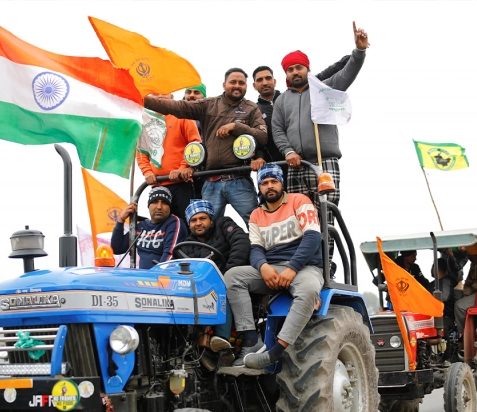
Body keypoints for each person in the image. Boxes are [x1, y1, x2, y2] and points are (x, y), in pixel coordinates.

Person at [272, 22, 369, 253]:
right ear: (285, 73)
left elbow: (348, 73)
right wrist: (288, 152)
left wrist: (359, 51)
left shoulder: (323, 87)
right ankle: (305, 262)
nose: (295, 72)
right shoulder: (282, 100)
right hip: (297, 164)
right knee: (298, 218)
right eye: (290, 69)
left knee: (325, 214)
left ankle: (327, 265)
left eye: (299, 67)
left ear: (307, 69)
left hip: (324, 161)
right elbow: (277, 130)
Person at [224, 164, 324, 369]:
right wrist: (263, 267)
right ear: (259, 187)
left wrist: (293, 268)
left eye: (274, 181)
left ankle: (275, 352)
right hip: (272, 268)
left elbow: (313, 237)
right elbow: (256, 248)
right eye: (264, 182)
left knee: (309, 289)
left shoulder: (299, 201)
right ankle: (251, 341)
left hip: (304, 267)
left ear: (281, 183)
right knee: (233, 277)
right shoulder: (256, 215)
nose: (269, 186)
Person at [144, 69, 268, 225]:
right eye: (233, 82)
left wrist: (236, 127)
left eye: (241, 83)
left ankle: (259, 251)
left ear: (246, 86)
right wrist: (143, 100)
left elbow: (263, 137)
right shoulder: (209, 105)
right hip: (211, 182)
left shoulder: (251, 108)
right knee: (206, 230)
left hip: (239, 180)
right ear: (224, 85)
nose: (237, 86)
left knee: (256, 225)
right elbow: (177, 107)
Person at [252, 57, 350, 181]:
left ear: (275, 81)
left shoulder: (288, 97)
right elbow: (258, 138)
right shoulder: (254, 110)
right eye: (260, 80)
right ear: (254, 86)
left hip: (301, 162)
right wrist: (260, 156)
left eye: (268, 78)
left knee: (307, 200)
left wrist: (349, 58)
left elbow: (317, 79)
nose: (265, 82)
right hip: (275, 167)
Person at [180, 199, 251, 370]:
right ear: (189, 224)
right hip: (198, 287)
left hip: (228, 280)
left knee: (221, 286)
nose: (198, 223)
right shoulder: (185, 245)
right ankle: (185, 343)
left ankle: (222, 341)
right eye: (194, 220)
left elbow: (241, 243)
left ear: (211, 219)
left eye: (202, 218)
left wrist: (229, 270)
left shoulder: (224, 225)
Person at [136, 93, 201, 224]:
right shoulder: (144, 121)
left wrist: (182, 169)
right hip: (157, 186)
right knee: (160, 226)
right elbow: (141, 152)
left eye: (164, 93)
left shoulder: (183, 116)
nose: (160, 96)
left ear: (172, 97)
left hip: (183, 184)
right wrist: (147, 172)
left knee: (187, 224)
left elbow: (195, 144)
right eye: (155, 94)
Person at [110, 186, 185, 269]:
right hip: (143, 278)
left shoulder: (174, 222)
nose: (159, 207)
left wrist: (155, 275)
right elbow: (117, 248)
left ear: (169, 207)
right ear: (148, 206)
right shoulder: (141, 226)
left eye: (164, 202)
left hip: (163, 277)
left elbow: (170, 254)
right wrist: (121, 219)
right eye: (155, 202)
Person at [429, 258, 457, 333]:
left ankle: (448, 344)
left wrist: (429, 301)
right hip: (432, 315)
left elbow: (444, 297)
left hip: (445, 316)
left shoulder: (446, 281)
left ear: (435, 269)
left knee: (441, 328)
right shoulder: (432, 284)